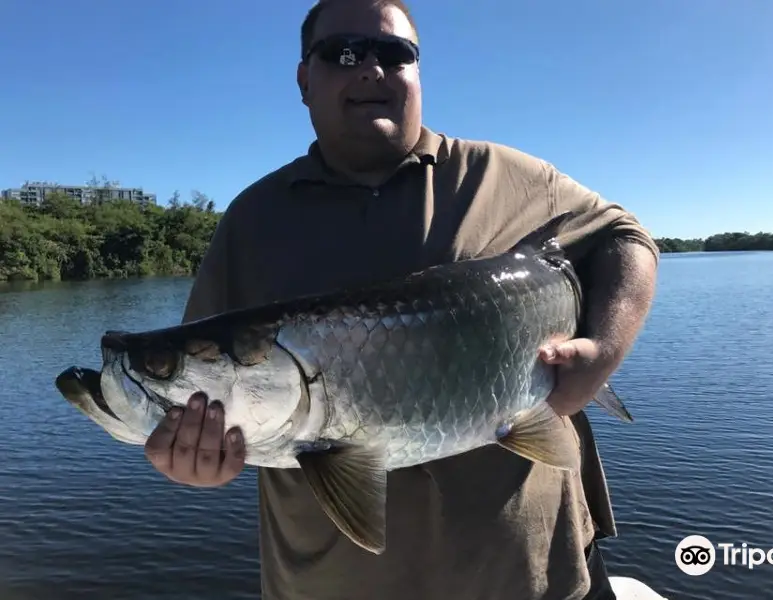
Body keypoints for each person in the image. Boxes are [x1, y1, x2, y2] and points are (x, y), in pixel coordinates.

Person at [143, 0, 659, 598]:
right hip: (331, 583)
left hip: (537, 573)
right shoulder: (252, 221)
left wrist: (605, 350)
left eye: (395, 54)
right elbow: (201, 391)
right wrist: (194, 459)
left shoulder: (508, 178)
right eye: (344, 54)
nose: (371, 70)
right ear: (304, 80)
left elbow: (626, 238)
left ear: (418, 73)